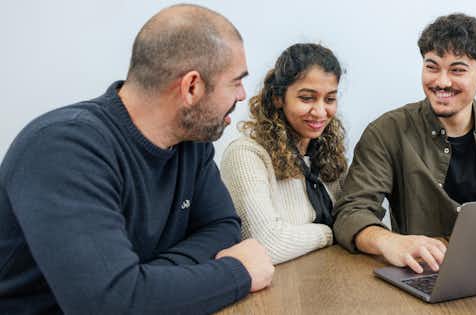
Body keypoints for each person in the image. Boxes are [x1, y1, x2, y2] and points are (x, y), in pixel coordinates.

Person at [0, 4, 274, 314]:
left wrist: (149, 278)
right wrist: (237, 273)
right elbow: (110, 305)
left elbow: (222, 226)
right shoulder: (61, 149)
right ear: (192, 87)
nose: (242, 96)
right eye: (236, 82)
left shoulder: (191, 144)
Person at [333, 13, 476, 274]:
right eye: (432, 67)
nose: (441, 81)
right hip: (424, 273)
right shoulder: (386, 131)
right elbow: (350, 213)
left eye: (457, 70)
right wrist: (390, 242)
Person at [220, 43, 347, 264]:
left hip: (332, 281)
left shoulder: (329, 155)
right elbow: (268, 245)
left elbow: (358, 220)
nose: (320, 112)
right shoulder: (246, 156)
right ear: (278, 97)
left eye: (329, 99)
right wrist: (332, 232)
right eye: (307, 98)